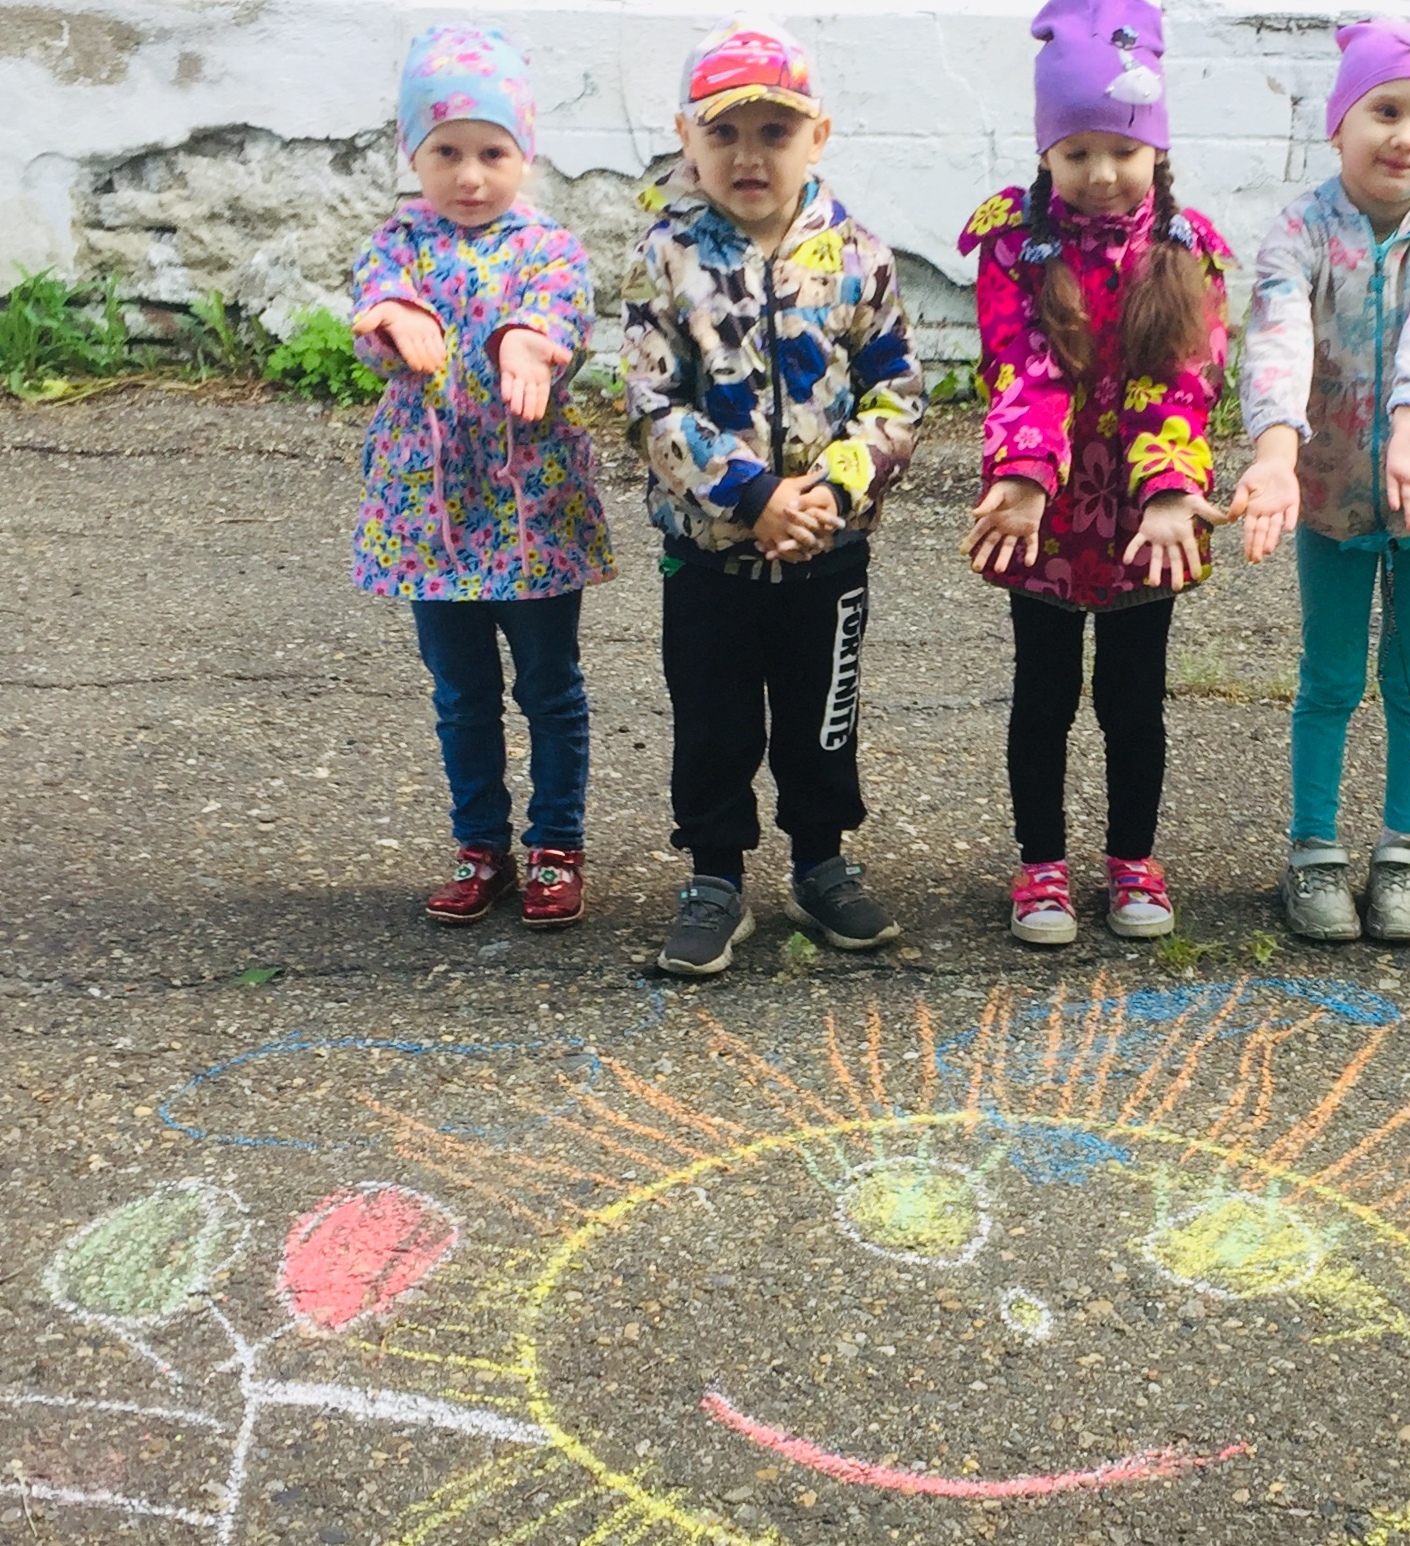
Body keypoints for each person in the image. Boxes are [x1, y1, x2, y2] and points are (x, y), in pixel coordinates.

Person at [622, 16, 926, 976]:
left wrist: (832, 488)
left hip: (829, 550)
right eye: (725, 133)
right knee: (713, 719)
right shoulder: (666, 257)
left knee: (820, 716)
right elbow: (650, 403)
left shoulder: (859, 256)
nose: (748, 154)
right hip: (711, 553)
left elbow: (898, 394)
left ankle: (822, 862)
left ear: (818, 138)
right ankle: (715, 876)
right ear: (687, 138)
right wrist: (752, 496)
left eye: (774, 132)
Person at [959, 0, 1236, 947]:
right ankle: (1039, 865)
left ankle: (1131, 859)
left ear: (1156, 148)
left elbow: (1186, 381)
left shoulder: (1188, 246)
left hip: (1149, 520)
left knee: (1132, 696)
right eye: (1076, 152)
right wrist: (1026, 475)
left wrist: (1167, 493)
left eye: (1122, 150)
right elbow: (1021, 361)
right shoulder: (1014, 243)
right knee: (1041, 691)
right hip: (1039, 513)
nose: (1102, 174)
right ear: (1046, 155)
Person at [1230, 18, 1410, 945]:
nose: (1405, 137)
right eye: (1385, 110)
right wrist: (1272, 450)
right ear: (1340, 121)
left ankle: (1403, 852)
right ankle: (1313, 853)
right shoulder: (1301, 229)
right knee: (1331, 677)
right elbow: (1277, 334)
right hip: (1328, 495)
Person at [351, 24, 615, 931]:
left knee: (550, 684)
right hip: (431, 517)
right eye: (447, 152)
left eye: (492, 152)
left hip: (527, 508)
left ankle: (555, 845)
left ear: (524, 151)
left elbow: (563, 316)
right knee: (459, 691)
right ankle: (480, 844)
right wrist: (390, 315)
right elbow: (372, 304)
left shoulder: (549, 245)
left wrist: (527, 342)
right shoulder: (400, 241)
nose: (470, 176)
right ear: (414, 153)